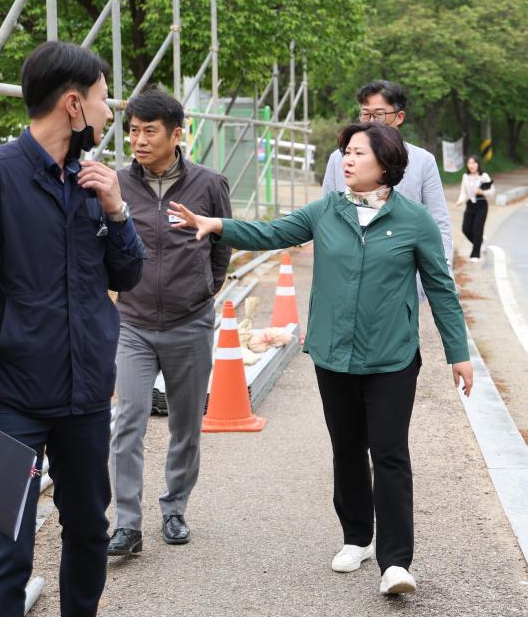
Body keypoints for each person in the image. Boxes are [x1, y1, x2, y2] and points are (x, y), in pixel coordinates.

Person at [168, 122, 473, 596]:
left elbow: (441, 287)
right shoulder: (326, 210)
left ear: (385, 163)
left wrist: (459, 353)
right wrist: (217, 226)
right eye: (345, 153)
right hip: (334, 354)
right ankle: (357, 537)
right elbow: (271, 232)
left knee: (389, 454)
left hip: (392, 357)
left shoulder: (414, 221)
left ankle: (395, 563)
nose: (346, 161)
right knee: (347, 448)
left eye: (356, 153)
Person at [0, 41, 146, 615]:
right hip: (10, 398)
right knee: (8, 545)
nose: (110, 113)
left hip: (82, 394)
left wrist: (117, 210)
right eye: (105, 100)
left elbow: (126, 274)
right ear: (73, 105)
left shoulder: (93, 182)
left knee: (87, 531)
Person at [107, 89, 232, 557]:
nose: (138, 140)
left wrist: (205, 291)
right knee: (128, 421)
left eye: (149, 131)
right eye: (133, 131)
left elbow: (222, 245)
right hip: (133, 322)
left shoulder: (208, 183)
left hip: (190, 322)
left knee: (185, 425)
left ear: (177, 135)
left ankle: (175, 508)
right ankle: (127, 523)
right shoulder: (118, 183)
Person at [322, 80, 453, 267]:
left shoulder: (423, 161)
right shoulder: (339, 158)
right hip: (349, 268)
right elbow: (326, 215)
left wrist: (443, 275)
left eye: (379, 114)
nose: (371, 122)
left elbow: (439, 222)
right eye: (365, 114)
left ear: (399, 117)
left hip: (404, 275)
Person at [455, 155, 494, 262]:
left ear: (478, 164)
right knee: (466, 228)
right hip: (470, 205)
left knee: (477, 228)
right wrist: (460, 200)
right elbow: (463, 192)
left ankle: (475, 254)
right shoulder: (465, 177)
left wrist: (482, 192)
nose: (471, 165)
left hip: (481, 205)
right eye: (469, 163)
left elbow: (492, 191)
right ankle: (481, 241)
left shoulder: (484, 176)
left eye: (474, 163)